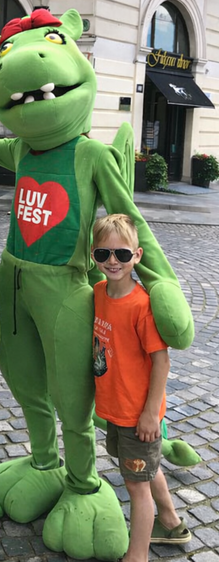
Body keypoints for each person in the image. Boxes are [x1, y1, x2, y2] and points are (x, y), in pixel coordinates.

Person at [92, 213, 191, 562]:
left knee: (136, 486)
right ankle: (171, 522)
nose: (112, 261)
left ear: (137, 255)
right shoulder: (99, 292)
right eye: (103, 255)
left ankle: (137, 556)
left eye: (121, 254)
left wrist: (150, 414)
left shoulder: (142, 306)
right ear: (94, 256)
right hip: (116, 409)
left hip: (138, 415)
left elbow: (162, 362)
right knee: (145, 469)